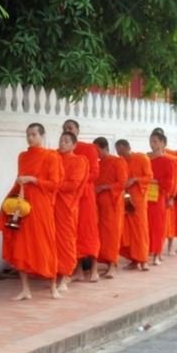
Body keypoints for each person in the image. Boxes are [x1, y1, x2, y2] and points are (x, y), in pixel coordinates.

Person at [0, 123, 63, 299]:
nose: (30, 138)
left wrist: (33, 179)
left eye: (33, 134)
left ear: (42, 136)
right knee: (21, 244)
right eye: (28, 135)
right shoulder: (23, 156)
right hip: (23, 204)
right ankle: (25, 289)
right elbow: (19, 179)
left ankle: (53, 287)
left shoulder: (51, 157)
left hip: (41, 205)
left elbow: (54, 184)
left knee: (46, 243)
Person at [62, 120, 100, 281]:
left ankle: (94, 270)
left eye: (70, 128)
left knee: (89, 231)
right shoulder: (61, 151)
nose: (67, 131)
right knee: (73, 232)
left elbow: (95, 173)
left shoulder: (88, 149)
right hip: (69, 198)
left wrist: (78, 180)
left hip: (85, 196)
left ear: (78, 130)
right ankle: (77, 269)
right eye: (64, 129)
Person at [54, 131, 87, 291]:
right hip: (50, 203)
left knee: (66, 240)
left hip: (66, 206)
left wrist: (53, 184)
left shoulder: (79, 161)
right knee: (51, 239)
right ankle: (53, 272)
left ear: (74, 145)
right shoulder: (53, 157)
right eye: (61, 140)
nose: (62, 143)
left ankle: (66, 274)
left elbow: (73, 184)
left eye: (67, 141)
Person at [93, 137, 128, 279]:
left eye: (97, 150)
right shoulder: (98, 164)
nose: (95, 154)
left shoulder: (117, 161)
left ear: (104, 148)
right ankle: (106, 263)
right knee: (101, 235)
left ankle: (113, 265)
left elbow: (123, 183)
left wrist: (105, 187)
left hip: (113, 204)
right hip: (99, 205)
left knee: (112, 235)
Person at [116, 139, 151, 271]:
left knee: (140, 230)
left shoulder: (142, 158)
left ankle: (143, 259)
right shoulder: (120, 161)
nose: (120, 155)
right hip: (124, 199)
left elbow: (149, 177)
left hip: (139, 199)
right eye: (118, 153)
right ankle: (133, 259)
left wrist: (136, 179)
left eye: (121, 151)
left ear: (126, 147)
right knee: (127, 231)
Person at [148, 132, 176, 266]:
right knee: (145, 226)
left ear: (162, 143)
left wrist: (153, 181)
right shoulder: (146, 158)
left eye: (155, 141)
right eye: (151, 141)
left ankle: (157, 254)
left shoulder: (168, 161)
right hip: (145, 197)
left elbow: (169, 182)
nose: (152, 144)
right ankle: (145, 252)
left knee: (158, 226)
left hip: (158, 197)